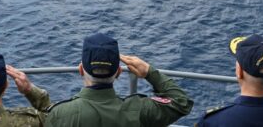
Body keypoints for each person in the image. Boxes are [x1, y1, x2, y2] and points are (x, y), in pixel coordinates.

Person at [45, 33, 193, 127]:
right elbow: (182, 103)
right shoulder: (140, 111)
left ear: (81, 70)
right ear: (119, 72)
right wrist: (150, 72)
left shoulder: (60, 115)